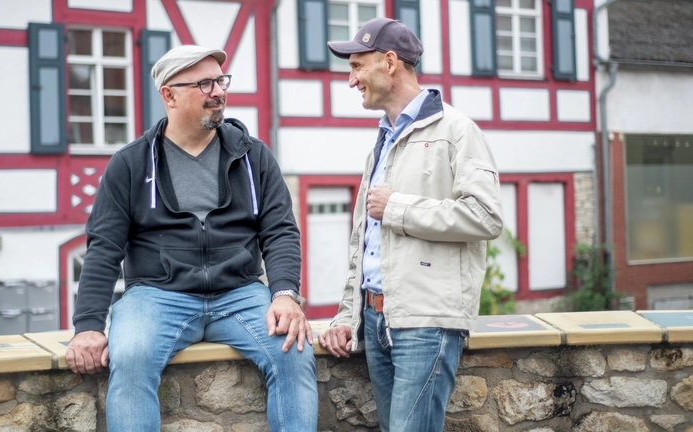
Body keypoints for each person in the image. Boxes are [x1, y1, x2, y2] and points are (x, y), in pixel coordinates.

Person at [65, 44, 318, 431]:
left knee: (293, 350)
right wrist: (87, 327)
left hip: (240, 293)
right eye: (203, 83)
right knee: (129, 356)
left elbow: (280, 229)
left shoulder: (254, 156)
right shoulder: (131, 163)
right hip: (156, 295)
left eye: (220, 80)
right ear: (169, 94)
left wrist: (285, 293)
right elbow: (104, 249)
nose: (217, 91)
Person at [318, 18, 504, 432]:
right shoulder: (382, 139)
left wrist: (398, 208)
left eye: (356, 66)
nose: (351, 80)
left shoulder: (458, 131)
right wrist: (347, 318)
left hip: (426, 321)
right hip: (376, 319)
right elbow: (364, 243)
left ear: (389, 62)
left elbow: (487, 216)